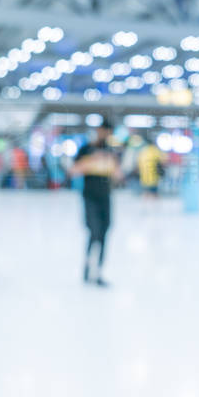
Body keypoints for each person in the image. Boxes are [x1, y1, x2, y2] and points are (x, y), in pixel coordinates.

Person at [71, 119, 121, 287]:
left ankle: (98, 271)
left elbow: (118, 175)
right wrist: (93, 160)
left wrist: (112, 165)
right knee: (93, 232)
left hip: (105, 196)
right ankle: (87, 266)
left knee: (105, 232)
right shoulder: (86, 149)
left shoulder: (111, 150)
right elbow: (73, 171)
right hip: (90, 196)